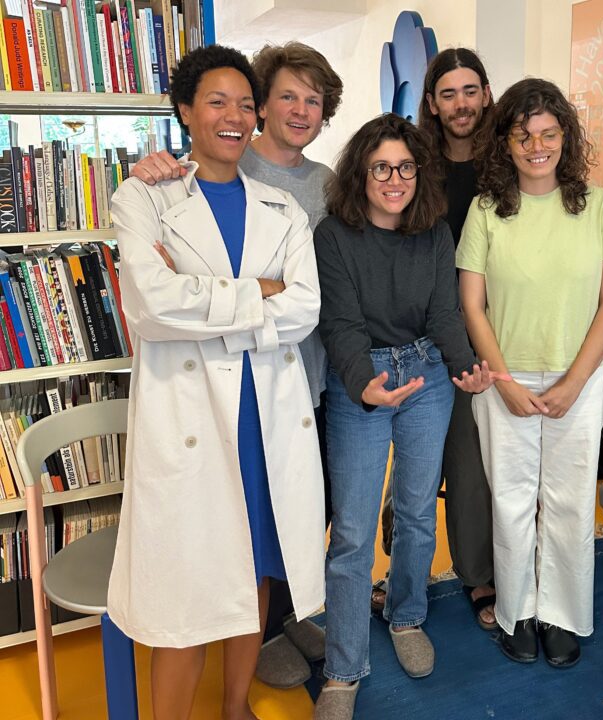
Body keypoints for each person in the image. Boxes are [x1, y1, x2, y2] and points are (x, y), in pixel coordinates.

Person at [107, 44, 325, 720]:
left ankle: (235, 706)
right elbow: (150, 308)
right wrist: (255, 294)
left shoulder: (282, 208)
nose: (234, 116)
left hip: (265, 419)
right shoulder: (143, 196)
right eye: (216, 102)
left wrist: (200, 297)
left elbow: (304, 308)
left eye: (244, 104)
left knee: (251, 569)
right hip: (192, 425)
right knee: (184, 587)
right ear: (186, 111)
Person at [313, 113, 510, 720]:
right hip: (361, 380)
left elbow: (445, 315)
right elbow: (339, 324)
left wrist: (466, 367)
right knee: (351, 533)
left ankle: (406, 616)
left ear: (419, 174)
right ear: (361, 173)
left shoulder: (432, 234)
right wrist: (363, 386)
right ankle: (343, 670)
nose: (394, 179)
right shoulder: (333, 235)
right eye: (381, 167)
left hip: (425, 376)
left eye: (405, 167)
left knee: (419, 511)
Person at [456, 78, 603, 668]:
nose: (536, 146)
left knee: (571, 502)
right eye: (523, 134)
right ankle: (517, 613)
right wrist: (503, 383)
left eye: (548, 133)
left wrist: (575, 383)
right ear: (504, 141)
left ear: (565, 137)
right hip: (506, 381)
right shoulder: (485, 210)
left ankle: (562, 615)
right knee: (509, 501)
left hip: (576, 382)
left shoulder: (596, 204)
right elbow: (471, 305)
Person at [375, 47, 498, 631]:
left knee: (468, 466)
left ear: (485, 94)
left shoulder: (506, 164)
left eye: (469, 90)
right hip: (424, 338)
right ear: (431, 102)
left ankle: (477, 575)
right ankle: (403, 577)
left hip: (493, 331)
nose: (460, 104)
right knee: (418, 469)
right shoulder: (416, 166)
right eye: (447, 93)